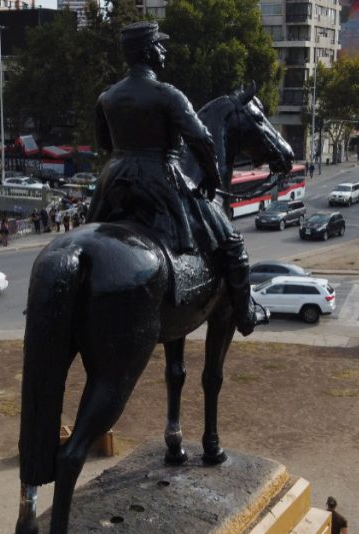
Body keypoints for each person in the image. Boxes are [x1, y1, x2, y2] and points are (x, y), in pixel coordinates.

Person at [87, 21, 259, 336]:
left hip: (113, 181)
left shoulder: (106, 97)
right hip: (160, 178)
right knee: (232, 242)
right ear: (147, 51)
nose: (164, 50)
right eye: (159, 45)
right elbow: (202, 139)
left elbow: (105, 145)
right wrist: (209, 176)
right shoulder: (167, 95)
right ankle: (246, 313)